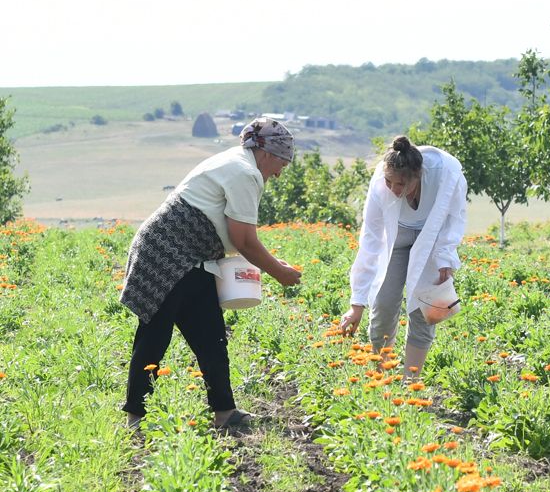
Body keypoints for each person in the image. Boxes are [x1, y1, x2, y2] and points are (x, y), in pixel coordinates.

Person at [121, 118, 302, 431]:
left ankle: (225, 412)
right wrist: (279, 272)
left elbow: (236, 236)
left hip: (195, 257)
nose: (280, 172)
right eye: (282, 163)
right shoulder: (245, 172)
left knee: (211, 337)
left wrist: (272, 263)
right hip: (166, 254)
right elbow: (244, 240)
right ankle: (135, 418)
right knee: (154, 336)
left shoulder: (236, 162)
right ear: (269, 154)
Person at [338, 136, 468, 378]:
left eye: (401, 185)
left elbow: (454, 217)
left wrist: (445, 260)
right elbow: (371, 239)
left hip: (431, 238)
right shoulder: (380, 182)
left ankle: (411, 383)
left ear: (418, 176)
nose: (393, 189)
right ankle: (382, 376)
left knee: (424, 311)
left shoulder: (447, 174)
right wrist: (356, 304)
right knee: (383, 306)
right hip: (396, 237)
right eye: (390, 181)